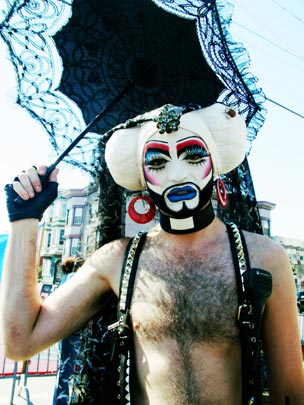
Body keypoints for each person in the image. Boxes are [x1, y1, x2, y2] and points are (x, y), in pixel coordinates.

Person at [1, 103, 304, 404]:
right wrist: (24, 220)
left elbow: (289, 391)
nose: (176, 174)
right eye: (158, 162)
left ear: (215, 162)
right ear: (142, 179)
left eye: (193, 156)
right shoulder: (116, 259)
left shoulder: (264, 258)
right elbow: (20, 341)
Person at [52, 257, 84, 405]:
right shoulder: (72, 280)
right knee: (68, 369)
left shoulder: (64, 280)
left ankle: (60, 400)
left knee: (65, 369)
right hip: (72, 331)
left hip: (65, 331)